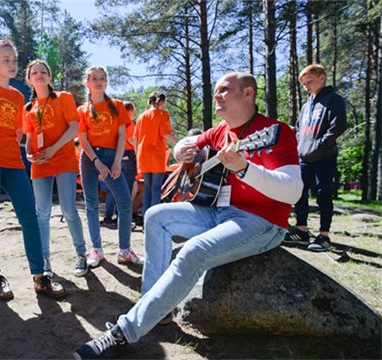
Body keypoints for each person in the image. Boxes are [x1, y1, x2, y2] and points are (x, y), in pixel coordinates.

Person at [73, 72, 303, 359]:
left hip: (261, 222)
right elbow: (185, 145)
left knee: (193, 251)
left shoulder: (275, 132)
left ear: (248, 94)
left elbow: (293, 191)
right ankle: (156, 306)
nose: (217, 94)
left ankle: (124, 332)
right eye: (216, 89)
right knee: (155, 215)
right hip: (218, 211)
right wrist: (182, 149)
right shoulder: (220, 131)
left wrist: (245, 168)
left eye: (225, 89)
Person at [0, 41, 64, 300]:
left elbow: (17, 130)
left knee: (30, 218)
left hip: (13, 162)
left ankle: (40, 276)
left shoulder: (18, 96)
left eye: (14, 60)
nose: (11, 64)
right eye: (5, 59)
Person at [23, 60, 88, 277]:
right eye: (34, 72)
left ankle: (81, 254)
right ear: (29, 79)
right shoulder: (29, 108)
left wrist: (53, 149)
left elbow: (74, 128)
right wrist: (29, 154)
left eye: (43, 72)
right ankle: (45, 261)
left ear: (49, 78)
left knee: (68, 208)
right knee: (42, 212)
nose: (39, 75)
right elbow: (30, 138)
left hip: (63, 159)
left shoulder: (63, 98)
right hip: (40, 164)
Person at [77, 66, 144, 268]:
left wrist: (116, 162)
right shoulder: (82, 110)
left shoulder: (116, 105)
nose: (99, 81)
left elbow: (123, 135)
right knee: (91, 204)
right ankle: (96, 250)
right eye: (94, 78)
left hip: (112, 155)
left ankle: (124, 250)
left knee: (124, 202)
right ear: (87, 82)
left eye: (103, 78)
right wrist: (97, 161)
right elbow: (82, 139)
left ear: (106, 82)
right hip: (90, 158)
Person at [283, 64, 347, 252]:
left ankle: (324, 236)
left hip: (324, 156)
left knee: (323, 195)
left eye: (309, 82)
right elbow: (299, 129)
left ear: (322, 78)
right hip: (303, 157)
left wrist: (320, 145)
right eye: (303, 84)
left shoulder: (333, 99)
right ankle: (301, 231)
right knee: (298, 192)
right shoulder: (306, 106)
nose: (306, 87)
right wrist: (297, 145)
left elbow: (339, 125)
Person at [133, 91, 179, 217]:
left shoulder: (141, 116)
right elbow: (165, 134)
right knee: (156, 189)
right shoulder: (162, 114)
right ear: (161, 102)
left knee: (148, 188)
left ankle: (145, 219)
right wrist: (180, 143)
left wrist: (138, 157)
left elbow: (135, 139)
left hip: (143, 155)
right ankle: (153, 220)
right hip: (156, 154)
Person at [100, 101, 138, 229]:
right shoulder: (130, 124)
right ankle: (122, 217)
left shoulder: (114, 124)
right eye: (133, 111)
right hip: (128, 155)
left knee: (114, 187)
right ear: (130, 111)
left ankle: (109, 216)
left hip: (115, 156)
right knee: (125, 189)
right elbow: (132, 140)